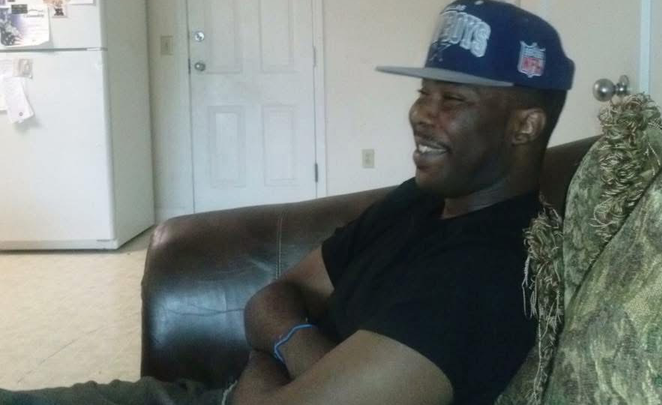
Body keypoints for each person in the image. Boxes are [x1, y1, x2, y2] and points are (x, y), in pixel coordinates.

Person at [0, 1, 573, 404]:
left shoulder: (489, 272)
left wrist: (273, 348)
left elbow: (275, 320)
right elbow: (270, 297)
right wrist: (292, 348)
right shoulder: (424, 201)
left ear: (524, 126)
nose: (421, 114)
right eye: (424, 92)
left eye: (453, 100)